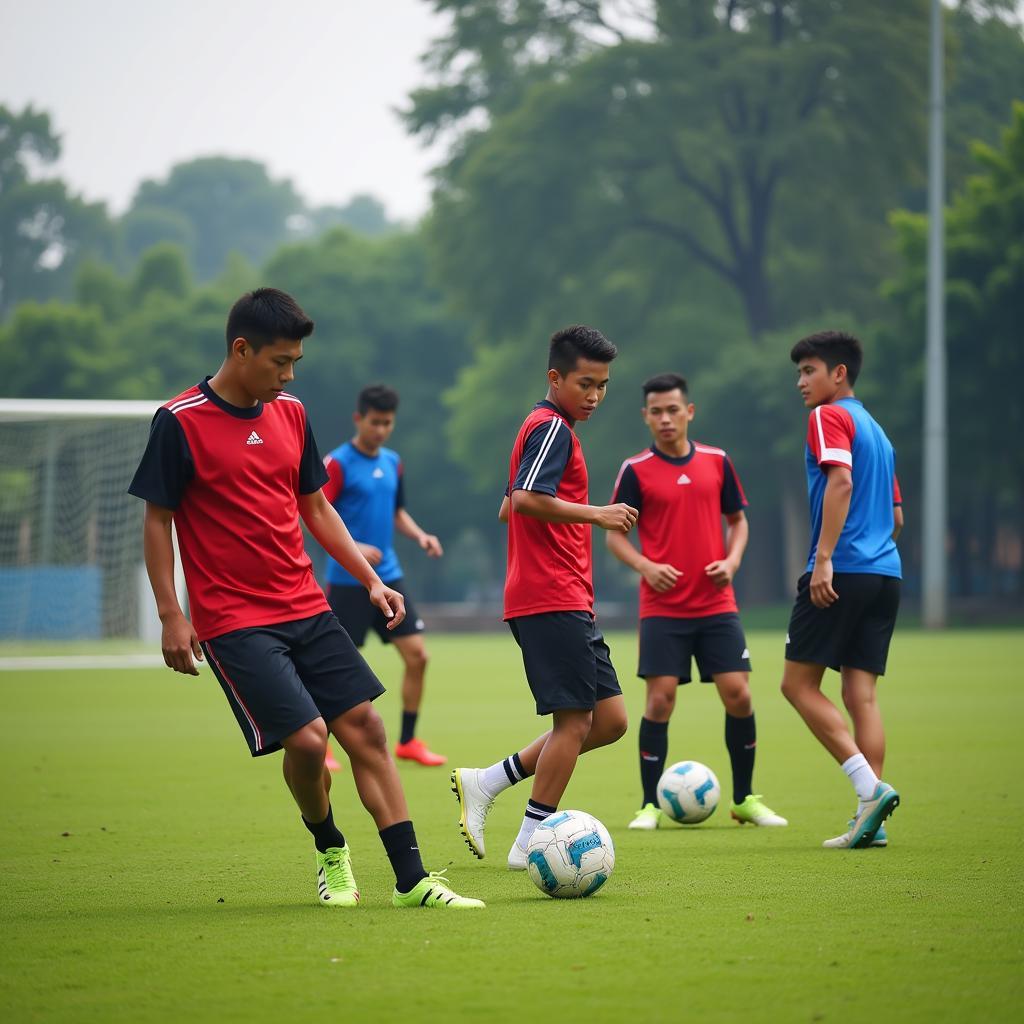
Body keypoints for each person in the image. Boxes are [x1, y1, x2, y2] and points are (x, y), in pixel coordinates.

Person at [128, 287, 483, 909]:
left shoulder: (291, 413)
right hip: (234, 621)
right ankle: (329, 848)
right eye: (279, 362)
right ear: (241, 350)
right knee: (311, 740)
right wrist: (171, 614)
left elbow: (316, 508)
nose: (290, 374)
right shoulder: (179, 421)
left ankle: (411, 881)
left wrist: (372, 581)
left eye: (295, 362)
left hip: (306, 604)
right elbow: (158, 520)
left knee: (367, 730)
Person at [450, 325, 636, 870]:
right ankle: (531, 840)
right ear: (555, 378)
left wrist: (546, 511)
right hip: (549, 595)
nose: (595, 395)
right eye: (585, 383)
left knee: (610, 721)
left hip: (564, 594)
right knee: (575, 721)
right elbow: (527, 499)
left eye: (603, 385)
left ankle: (488, 781)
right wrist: (597, 513)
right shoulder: (553, 428)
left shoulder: (543, 427)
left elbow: (510, 505)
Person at [607, 373, 787, 830]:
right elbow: (614, 537)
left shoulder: (717, 461)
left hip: (716, 604)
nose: (665, 418)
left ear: (689, 412)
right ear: (645, 416)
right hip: (663, 609)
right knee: (660, 701)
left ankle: (745, 798)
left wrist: (733, 560)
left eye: (673, 409)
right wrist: (646, 567)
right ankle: (649, 805)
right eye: (656, 411)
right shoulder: (635, 470)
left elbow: (739, 521)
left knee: (739, 694)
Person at [780, 330, 903, 850]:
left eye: (810, 371)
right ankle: (869, 821)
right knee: (861, 694)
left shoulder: (829, 417)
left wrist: (826, 558)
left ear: (839, 374)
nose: (801, 382)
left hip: (840, 570)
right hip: (885, 574)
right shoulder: (880, 432)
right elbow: (896, 516)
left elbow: (842, 482)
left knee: (797, 685)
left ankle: (867, 788)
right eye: (799, 373)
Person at [321, 384, 446, 770]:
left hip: (389, 575)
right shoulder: (336, 464)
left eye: (388, 423)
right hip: (348, 580)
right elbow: (316, 513)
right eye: (375, 422)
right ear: (359, 419)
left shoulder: (393, 462)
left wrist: (420, 534)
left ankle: (408, 741)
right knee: (335, 664)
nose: (381, 430)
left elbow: (396, 513)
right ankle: (321, 745)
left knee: (418, 656)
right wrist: (354, 545)